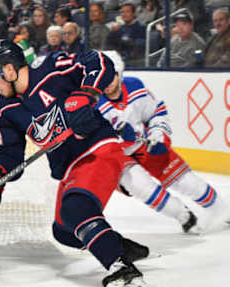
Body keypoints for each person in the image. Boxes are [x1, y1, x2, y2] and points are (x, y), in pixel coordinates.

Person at [0, 40, 149, 287]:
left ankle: (122, 269)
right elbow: (11, 155)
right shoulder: (3, 109)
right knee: (64, 231)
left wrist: (86, 94)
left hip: (98, 148)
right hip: (70, 168)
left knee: (75, 209)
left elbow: (99, 62)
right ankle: (120, 247)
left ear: (9, 70)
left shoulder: (52, 68)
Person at [97, 51, 230, 233]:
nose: (105, 83)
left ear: (119, 73)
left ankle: (222, 210)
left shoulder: (135, 87)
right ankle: (184, 217)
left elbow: (157, 112)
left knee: (188, 182)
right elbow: (94, 142)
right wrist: (118, 139)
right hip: (118, 156)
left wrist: (157, 134)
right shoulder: (93, 103)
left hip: (144, 145)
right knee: (142, 187)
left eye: (109, 77)